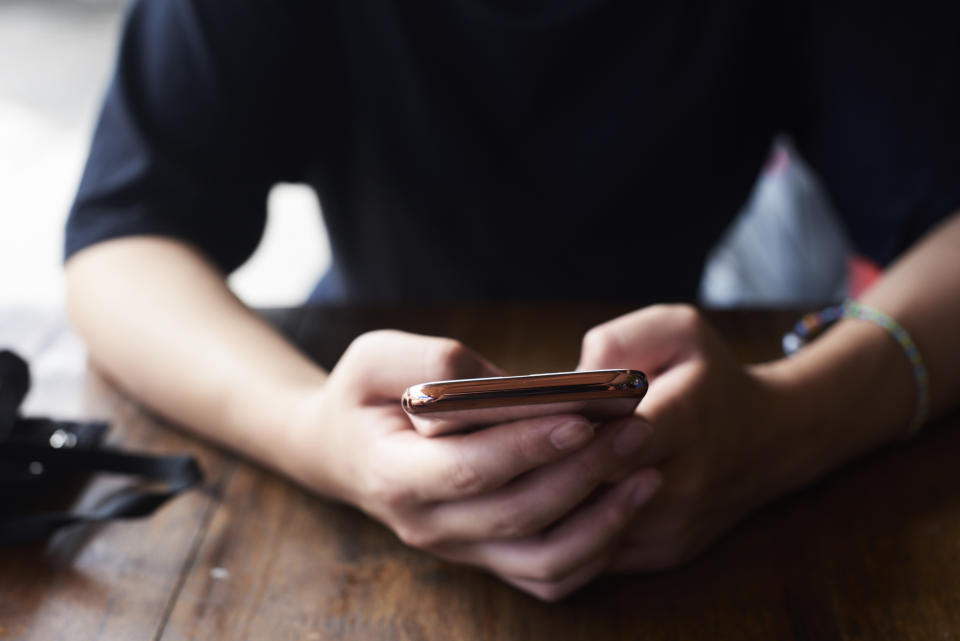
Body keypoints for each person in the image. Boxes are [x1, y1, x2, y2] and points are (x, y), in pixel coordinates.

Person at [63, 0, 960, 601]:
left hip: (692, 402)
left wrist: (790, 426)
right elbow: (120, 244)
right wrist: (315, 434)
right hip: (351, 384)